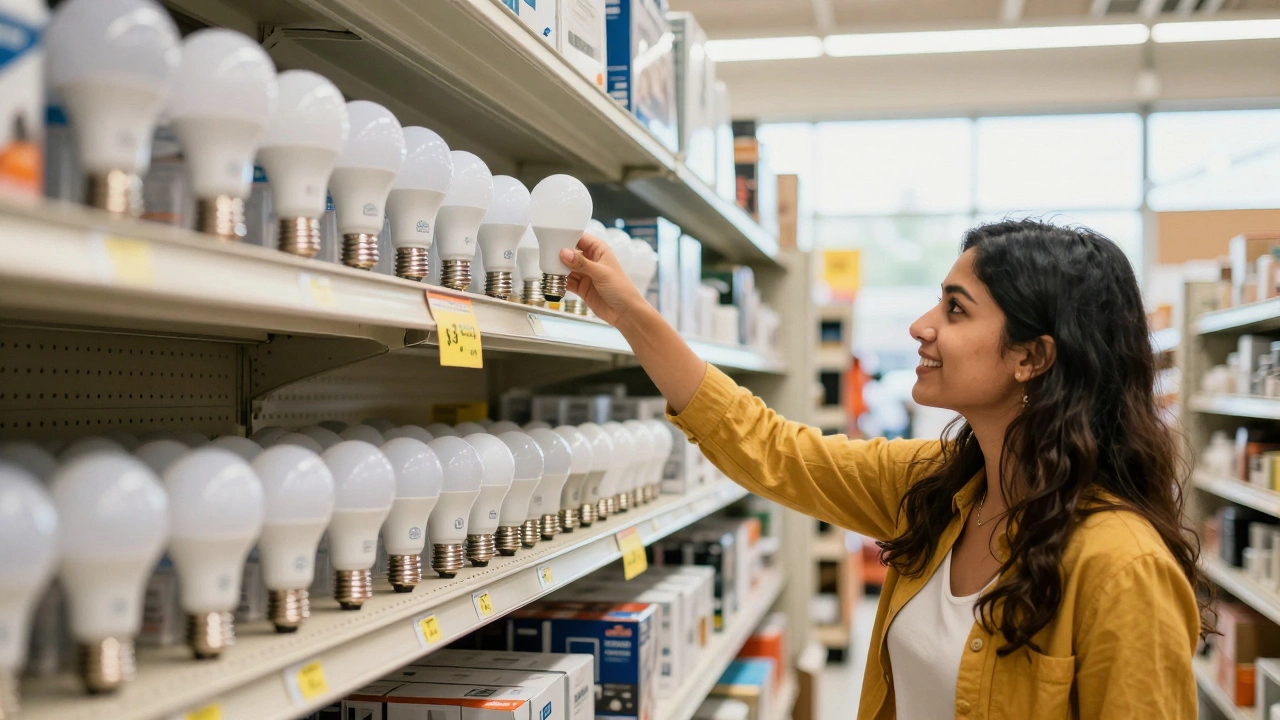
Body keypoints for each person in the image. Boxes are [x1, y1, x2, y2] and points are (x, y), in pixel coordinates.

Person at [559, 219, 1204, 720]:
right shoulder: (935, 486)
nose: (922, 326)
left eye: (955, 309)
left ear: (1031, 357)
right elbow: (769, 447)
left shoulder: (1122, 567)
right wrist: (629, 314)